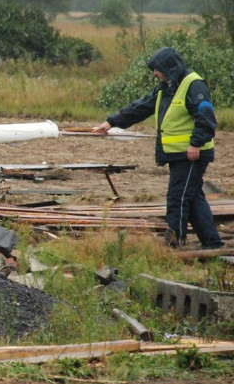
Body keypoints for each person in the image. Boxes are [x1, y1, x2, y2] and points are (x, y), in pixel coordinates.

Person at [93, 46, 223, 249]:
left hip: (191, 155)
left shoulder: (193, 85)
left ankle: (175, 242)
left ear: (169, 67)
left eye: (157, 69)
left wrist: (195, 144)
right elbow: (142, 106)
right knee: (193, 197)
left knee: (177, 197)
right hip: (178, 154)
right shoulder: (167, 86)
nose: (154, 73)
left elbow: (206, 117)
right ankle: (213, 243)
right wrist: (112, 122)